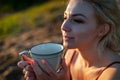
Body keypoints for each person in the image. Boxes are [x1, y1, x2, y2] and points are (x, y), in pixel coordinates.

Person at [17, 0, 120, 80]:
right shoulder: (71, 54)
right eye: (65, 17)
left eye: (77, 20)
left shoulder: (113, 73)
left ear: (102, 30)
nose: (63, 26)